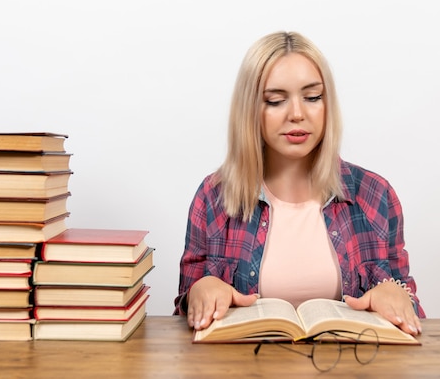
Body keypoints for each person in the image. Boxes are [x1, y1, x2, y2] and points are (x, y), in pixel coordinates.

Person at [174, 31, 425, 337]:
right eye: (276, 100)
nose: (297, 114)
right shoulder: (213, 198)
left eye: (312, 97)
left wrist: (399, 296)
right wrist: (199, 292)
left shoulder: (375, 195)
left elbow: (410, 312)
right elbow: (185, 315)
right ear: (251, 109)